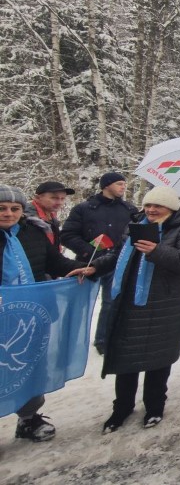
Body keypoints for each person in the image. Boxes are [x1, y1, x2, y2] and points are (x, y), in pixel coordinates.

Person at [85, 186, 180, 433]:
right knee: (127, 355)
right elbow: (118, 255)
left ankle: (154, 406)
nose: (151, 210)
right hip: (131, 301)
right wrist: (95, 267)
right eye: (148, 205)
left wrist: (156, 250)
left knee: (159, 357)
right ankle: (122, 407)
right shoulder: (135, 225)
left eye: (157, 206)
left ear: (170, 208)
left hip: (166, 303)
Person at [0, 184, 88, 442]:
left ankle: (28, 418)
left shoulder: (33, 233)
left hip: (28, 315)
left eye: (14, 208)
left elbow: (55, 262)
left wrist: (86, 267)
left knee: (29, 365)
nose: (8, 213)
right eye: (2, 208)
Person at [61, 172, 136, 355]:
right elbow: (67, 235)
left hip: (115, 264)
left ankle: (104, 341)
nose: (123, 187)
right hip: (86, 264)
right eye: (119, 183)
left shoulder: (129, 209)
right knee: (78, 305)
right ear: (106, 185)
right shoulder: (83, 208)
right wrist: (88, 250)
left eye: (124, 184)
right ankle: (68, 342)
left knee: (111, 303)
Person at [25, 181, 75, 248]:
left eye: (62, 198)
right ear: (37, 198)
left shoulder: (51, 215)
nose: (59, 202)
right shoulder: (27, 219)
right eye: (54, 198)